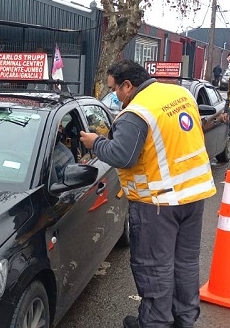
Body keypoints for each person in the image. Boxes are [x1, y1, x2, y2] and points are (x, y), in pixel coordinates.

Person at [78, 59, 216, 328]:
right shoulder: (179, 93)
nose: (116, 97)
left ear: (128, 85)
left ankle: (154, 322)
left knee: (154, 267)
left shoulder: (137, 112)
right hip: (194, 195)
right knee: (184, 263)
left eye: (115, 89)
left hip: (158, 203)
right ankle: (184, 319)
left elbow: (123, 155)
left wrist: (96, 143)